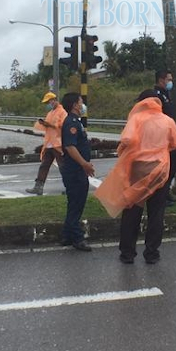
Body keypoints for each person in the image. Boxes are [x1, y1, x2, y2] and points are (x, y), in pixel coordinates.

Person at [96, 91, 176, 264]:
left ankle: (127, 253)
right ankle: (152, 253)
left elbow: (126, 139)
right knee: (156, 212)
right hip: (160, 169)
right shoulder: (167, 120)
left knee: (132, 210)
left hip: (137, 168)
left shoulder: (136, 119)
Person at [58, 92, 95, 251]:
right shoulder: (71, 123)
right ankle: (77, 238)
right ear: (74, 105)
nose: (82, 105)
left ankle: (67, 235)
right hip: (75, 170)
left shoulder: (75, 121)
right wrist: (84, 164)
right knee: (77, 203)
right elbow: (70, 147)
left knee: (74, 202)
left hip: (76, 169)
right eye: (81, 102)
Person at [26, 91, 66, 195]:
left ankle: (69, 187)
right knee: (44, 165)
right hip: (49, 143)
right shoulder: (50, 113)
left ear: (55, 99)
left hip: (57, 144)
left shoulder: (62, 112)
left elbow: (63, 126)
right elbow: (48, 127)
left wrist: (50, 125)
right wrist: (43, 124)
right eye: (48, 102)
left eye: (50, 101)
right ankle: (38, 187)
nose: (49, 104)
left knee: (63, 167)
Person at [153, 69, 176, 205]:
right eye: (169, 79)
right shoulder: (156, 95)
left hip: (169, 135)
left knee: (173, 165)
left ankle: (166, 192)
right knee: (165, 167)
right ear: (161, 80)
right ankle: (161, 196)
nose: (170, 82)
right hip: (162, 137)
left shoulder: (166, 94)